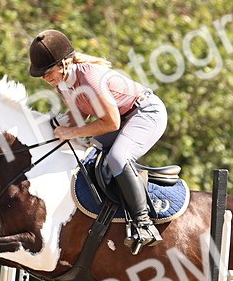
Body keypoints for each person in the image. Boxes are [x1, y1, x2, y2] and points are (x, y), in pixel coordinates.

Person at [29, 29, 164, 250]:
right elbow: (79, 115)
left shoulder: (89, 78)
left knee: (118, 158)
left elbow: (111, 123)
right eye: (41, 74)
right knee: (90, 156)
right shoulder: (63, 83)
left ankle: (144, 223)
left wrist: (71, 133)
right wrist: (46, 129)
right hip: (122, 118)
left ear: (65, 63)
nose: (45, 78)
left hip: (146, 113)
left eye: (47, 71)